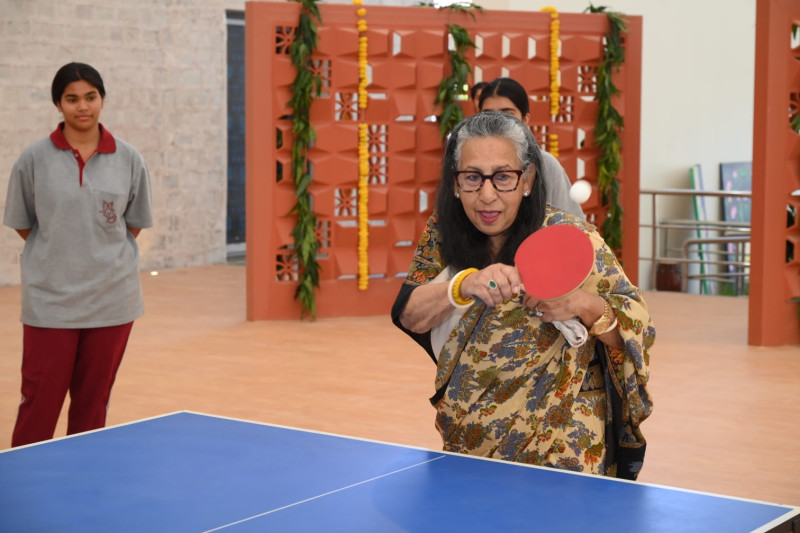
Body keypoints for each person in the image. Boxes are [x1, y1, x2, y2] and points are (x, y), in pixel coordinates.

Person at [391, 111, 654, 479]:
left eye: (503, 177)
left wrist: (581, 304)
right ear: (455, 183)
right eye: (472, 177)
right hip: (471, 444)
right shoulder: (443, 234)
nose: (487, 195)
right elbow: (408, 314)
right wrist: (463, 285)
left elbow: (638, 326)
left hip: (563, 445)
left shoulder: (569, 236)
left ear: (527, 180)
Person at [3, 62, 153, 447]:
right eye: (72, 99)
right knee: (39, 401)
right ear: (58, 104)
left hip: (112, 302)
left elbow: (132, 224)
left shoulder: (129, 158)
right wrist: (60, 249)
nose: (82, 106)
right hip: (51, 302)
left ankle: (84, 478)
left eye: (90, 97)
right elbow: (24, 223)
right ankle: (23, 478)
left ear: (102, 100)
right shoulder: (33, 159)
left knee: (93, 402)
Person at [479, 77, 584, 218]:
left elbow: (571, 224)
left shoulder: (546, 165)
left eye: (508, 115)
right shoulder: (467, 163)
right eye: (488, 115)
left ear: (525, 119)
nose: (497, 122)